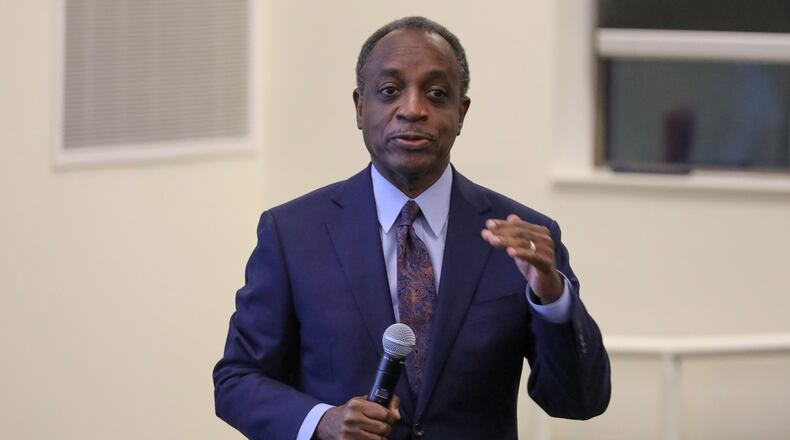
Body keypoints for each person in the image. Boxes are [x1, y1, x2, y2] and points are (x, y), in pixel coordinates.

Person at [214, 16, 610, 440]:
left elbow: (579, 401)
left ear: (461, 113)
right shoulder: (292, 233)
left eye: (437, 94)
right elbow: (237, 381)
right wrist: (319, 421)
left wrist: (551, 296)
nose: (413, 108)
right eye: (390, 91)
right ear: (360, 108)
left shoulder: (522, 239)